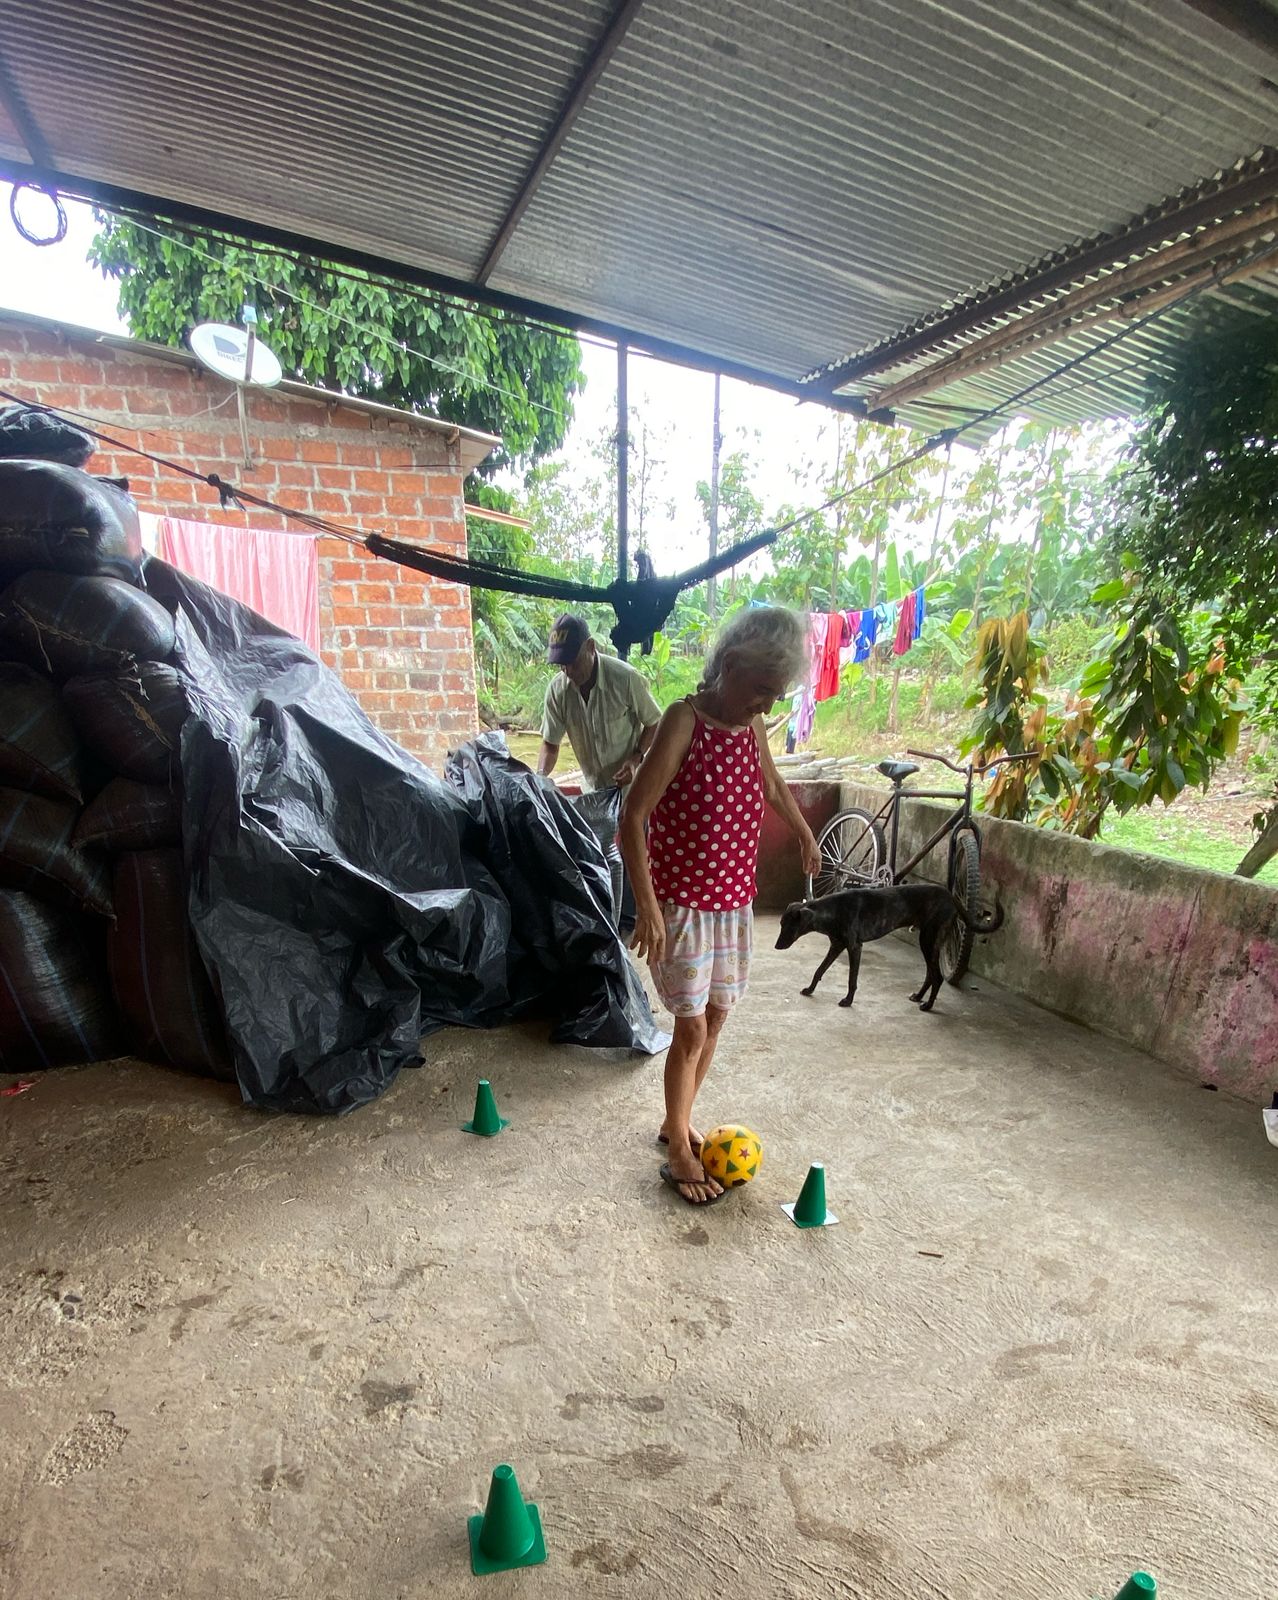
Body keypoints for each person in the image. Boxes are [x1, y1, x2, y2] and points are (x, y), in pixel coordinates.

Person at [620, 606, 821, 1205]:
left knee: (716, 1017)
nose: (766, 705)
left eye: (775, 696)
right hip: (682, 906)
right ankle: (679, 1151)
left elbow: (773, 784)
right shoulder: (683, 721)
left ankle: (675, 1121)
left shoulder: (750, 727)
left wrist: (805, 834)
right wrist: (647, 905)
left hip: (734, 903)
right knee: (689, 1027)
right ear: (729, 665)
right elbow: (633, 816)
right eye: (761, 689)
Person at [537, 613, 661, 793]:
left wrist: (636, 758)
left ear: (591, 646)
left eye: (574, 662)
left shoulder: (626, 679)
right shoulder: (557, 691)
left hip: (632, 789)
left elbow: (654, 722)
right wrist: (540, 777)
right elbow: (550, 744)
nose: (568, 671)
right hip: (592, 790)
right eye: (562, 664)